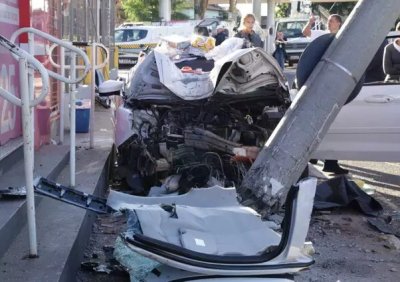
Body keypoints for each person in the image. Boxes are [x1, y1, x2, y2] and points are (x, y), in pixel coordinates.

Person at [305, 14, 348, 174]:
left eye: (332, 20)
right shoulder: (321, 35)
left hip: (334, 85)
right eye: (328, 20)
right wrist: (310, 22)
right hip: (319, 85)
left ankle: (329, 161)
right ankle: (313, 156)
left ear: (339, 23)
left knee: (333, 125)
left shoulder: (345, 37)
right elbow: (306, 33)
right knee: (317, 123)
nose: (329, 22)